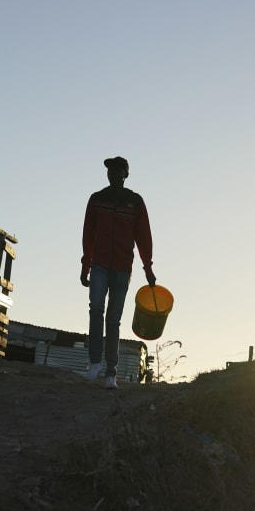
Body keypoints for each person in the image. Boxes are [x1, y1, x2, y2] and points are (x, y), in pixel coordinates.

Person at [80, 156, 156, 390]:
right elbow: (88, 234)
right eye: (110, 170)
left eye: (117, 170)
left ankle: (110, 372)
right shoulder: (97, 199)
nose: (113, 174)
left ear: (125, 174)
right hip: (100, 266)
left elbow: (144, 237)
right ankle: (94, 364)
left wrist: (148, 268)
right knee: (96, 311)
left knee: (113, 319)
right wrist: (86, 265)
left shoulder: (135, 202)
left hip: (123, 268)